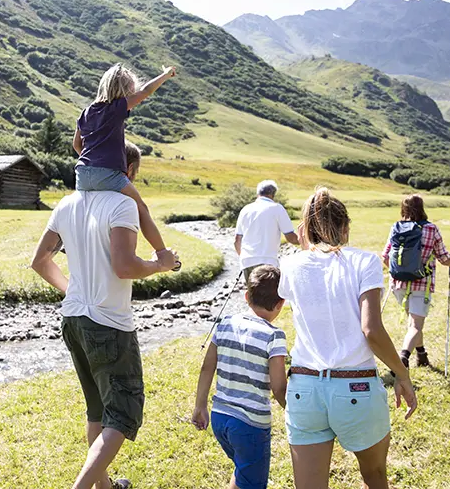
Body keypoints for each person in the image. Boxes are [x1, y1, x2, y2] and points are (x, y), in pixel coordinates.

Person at [31, 142, 179, 489]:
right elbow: (125, 266)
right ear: (127, 171)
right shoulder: (123, 203)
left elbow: (40, 262)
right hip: (109, 322)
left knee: (97, 409)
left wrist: (75, 292)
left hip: (73, 320)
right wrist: (160, 264)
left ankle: (104, 487)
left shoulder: (66, 204)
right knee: (123, 412)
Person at [279, 187, 417, 489]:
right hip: (356, 386)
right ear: (344, 227)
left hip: (304, 388)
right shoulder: (364, 262)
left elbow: (308, 267)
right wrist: (402, 374)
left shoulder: (289, 264)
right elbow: (372, 331)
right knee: (374, 477)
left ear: (306, 230)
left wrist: (308, 242)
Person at [192, 265, 288, 489]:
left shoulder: (224, 324)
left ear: (246, 296)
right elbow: (279, 388)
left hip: (220, 418)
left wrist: (200, 405)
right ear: (281, 303)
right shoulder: (274, 336)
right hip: (250, 425)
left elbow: (207, 368)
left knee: (243, 470)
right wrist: (297, 412)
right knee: (251, 479)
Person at [73, 62, 175, 254]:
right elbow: (146, 91)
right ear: (124, 89)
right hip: (108, 173)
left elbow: (77, 145)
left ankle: (65, 242)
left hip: (82, 172)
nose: (134, 92)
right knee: (141, 207)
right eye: (131, 89)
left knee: (82, 211)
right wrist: (166, 75)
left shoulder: (86, 112)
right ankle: (162, 253)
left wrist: (91, 162)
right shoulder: (116, 107)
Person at [382, 194, 450, 369]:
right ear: (421, 207)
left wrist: (399, 272)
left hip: (399, 284)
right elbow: (444, 258)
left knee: (413, 323)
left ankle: (421, 356)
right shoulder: (431, 229)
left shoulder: (396, 227)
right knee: (415, 325)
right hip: (422, 285)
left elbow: (385, 257)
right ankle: (403, 357)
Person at [234, 180, 299, 282]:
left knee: (252, 296)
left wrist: (244, 257)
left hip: (247, 261)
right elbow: (290, 237)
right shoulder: (277, 208)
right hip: (268, 262)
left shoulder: (245, 209)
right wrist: (308, 240)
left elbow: (237, 240)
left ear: (258, 193)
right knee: (269, 296)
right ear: (273, 194)